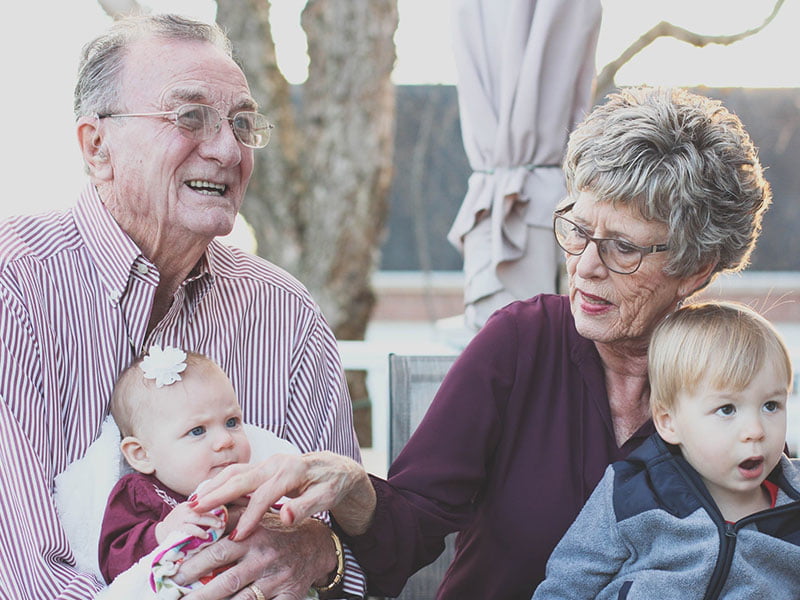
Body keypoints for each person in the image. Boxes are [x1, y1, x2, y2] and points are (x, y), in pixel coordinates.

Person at [187, 86, 774, 599]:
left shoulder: (734, 379)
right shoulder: (521, 342)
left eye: (623, 247)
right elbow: (409, 529)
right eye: (577, 229)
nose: (586, 267)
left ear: (697, 269)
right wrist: (354, 487)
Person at [0, 14, 364, 600]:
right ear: (98, 147)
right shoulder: (13, 290)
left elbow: (346, 546)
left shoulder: (284, 311)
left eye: (242, 124)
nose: (227, 150)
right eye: (189, 116)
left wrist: (321, 555)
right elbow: (22, 577)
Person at [532, 301, 800, 599]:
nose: (755, 430)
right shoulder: (631, 494)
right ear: (668, 422)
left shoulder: (794, 503)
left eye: (771, 406)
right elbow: (567, 585)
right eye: (727, 409)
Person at [99, 346, 252, 584]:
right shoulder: (141, 493)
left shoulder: (251, 485)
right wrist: (161, 533)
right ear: (141, 454)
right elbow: (112, 562)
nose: (225, 440)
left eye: (232, 422)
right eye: (197, 430)